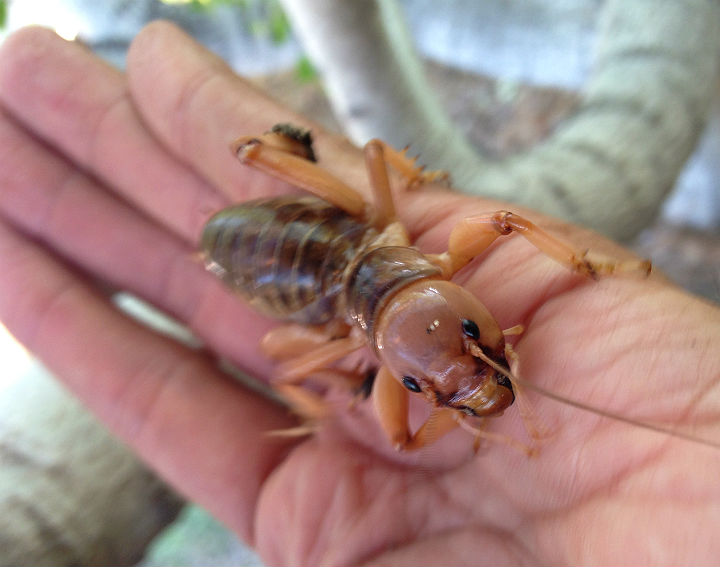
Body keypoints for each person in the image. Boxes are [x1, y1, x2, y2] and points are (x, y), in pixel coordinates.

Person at [1, 22, 719, 565]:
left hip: (317, 270)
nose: (466, 378)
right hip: (293, 266)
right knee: (316, 336)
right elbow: (382, 162)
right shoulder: (404, 296)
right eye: (463, 369)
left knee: (403, 259)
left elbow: (406, 178)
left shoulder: (419, 299)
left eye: (447, 377)